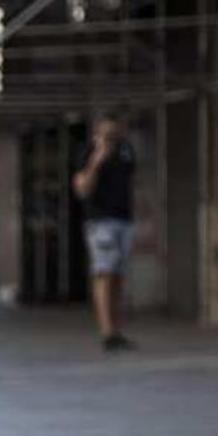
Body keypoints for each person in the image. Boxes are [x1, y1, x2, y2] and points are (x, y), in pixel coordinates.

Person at [72, 114, 137, 351]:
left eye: (115, 135)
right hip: (100, 222)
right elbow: (81, 189)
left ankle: (117, 330)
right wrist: (96, 162)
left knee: (118, 276)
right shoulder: (87, 152)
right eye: (106, 135)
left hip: (124, 220)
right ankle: (107, 332)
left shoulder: (126, 151)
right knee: (104, 273)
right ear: (97, 133)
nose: (111, 140)